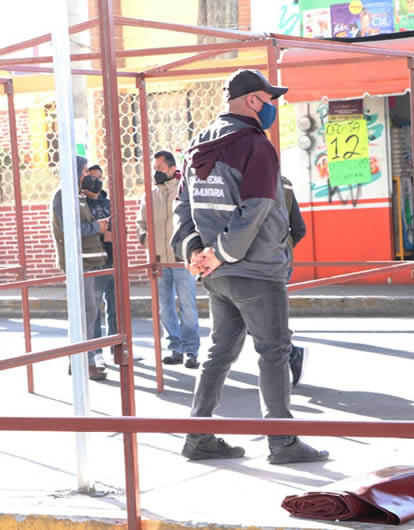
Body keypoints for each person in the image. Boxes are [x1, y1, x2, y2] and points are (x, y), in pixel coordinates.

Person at [171, 69, 329, 465]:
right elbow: (255, 208)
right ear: (253, 100)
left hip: (217, 274)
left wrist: (196, 251)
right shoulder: (255, 145)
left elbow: (182, 207)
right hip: (256, 269)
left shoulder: (198, 145)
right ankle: (283, 442)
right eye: (269, 99)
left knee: (219, 352)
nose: (273, 106)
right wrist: (222, 252)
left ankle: (198, 436)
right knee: (274, 351)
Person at [136, 150, 201, 369]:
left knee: (187, 306)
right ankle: (175, 348)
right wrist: (146, 239)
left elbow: (194, 220)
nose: (156, 172)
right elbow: (140, 223)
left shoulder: (185, 190)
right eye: (154, 168)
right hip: (158, 260)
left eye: (160, 168)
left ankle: (191, 351)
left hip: (181, 259)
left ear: (173, 169)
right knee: (164, 308)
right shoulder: (150, 194)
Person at [50, 155, 108, 381]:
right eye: (84, 172)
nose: (87, 176)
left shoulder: (78, 195)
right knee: (84, 312)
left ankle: (83, 360)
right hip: (77, 262)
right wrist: (97, 227)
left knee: (89, 311)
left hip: (88, 261)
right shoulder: (63, 195)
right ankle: (83, 361)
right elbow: (70, 229)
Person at [82, 164, 118, 366]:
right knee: (94, 307)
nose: (96, 182)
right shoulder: (82, 204)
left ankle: (116, 348)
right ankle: (96, 350)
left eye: (99, 178)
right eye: (92, 178)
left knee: (116, 306)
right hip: (96, 261)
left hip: (113, 259)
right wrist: (99, 229)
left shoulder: (108, 202)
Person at [282, 176, 308, 386]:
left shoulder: (242, 178)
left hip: (259, 263)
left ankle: (290, 353)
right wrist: (286, 248)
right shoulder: (284, 183)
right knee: (261, 316)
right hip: (281, 259)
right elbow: (298, 228)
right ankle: (290, 353)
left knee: (257, 317)